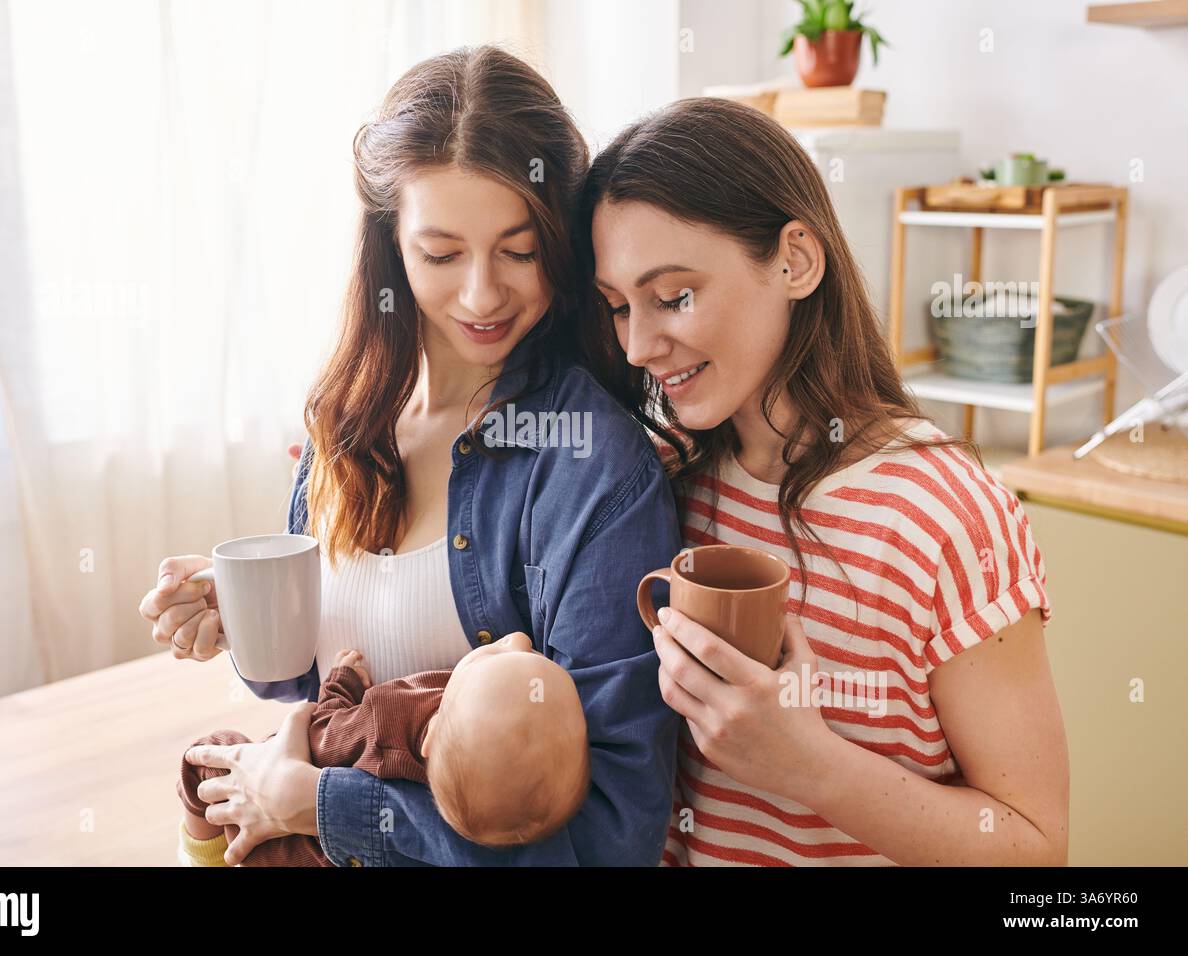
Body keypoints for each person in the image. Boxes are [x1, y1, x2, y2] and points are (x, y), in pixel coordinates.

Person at [138, 46, 681, 866]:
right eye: (441, 254)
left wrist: (319, 806)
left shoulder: (594, 471)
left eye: (519, 249)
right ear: (391, 245)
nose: (481, 294)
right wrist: (251, 623)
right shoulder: (346, 419)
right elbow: (326, 706)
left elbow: (610, 835)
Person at [583, 97, 1069, 866]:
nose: (641, 344)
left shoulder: (947, 517)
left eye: (674, 296)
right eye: (618, 307)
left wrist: (809, 765)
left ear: (796, 261)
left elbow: (1034, 849)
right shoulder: (664, 482)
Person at [175, 637, 589, 866]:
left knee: (205, 756)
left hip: (269, 845)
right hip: (338, 850)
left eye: (496, 657)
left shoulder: (392, 719)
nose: (520, 638)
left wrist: (340, 685)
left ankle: (207, 854)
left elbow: (326, 735)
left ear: (431, 733)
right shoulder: (476, 789)